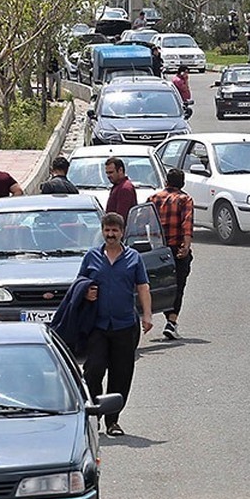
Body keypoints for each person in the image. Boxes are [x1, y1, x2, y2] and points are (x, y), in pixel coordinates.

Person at [77, 212, 153, 437]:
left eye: (115, 231)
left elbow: (143, 287)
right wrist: (86, 293)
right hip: (98, 326)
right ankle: (94, 417)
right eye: (107, 230)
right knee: (94, 370)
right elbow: (80, 284)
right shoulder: (91, 257)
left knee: (121, 374)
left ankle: (113, 421)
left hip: (124, 326)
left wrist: (147, 315)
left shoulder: (133, 258)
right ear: (102, 231)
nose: (111, 235)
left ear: (123, 233)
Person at [148, 169, 194, 341]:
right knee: (178, 285)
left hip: (157, 250)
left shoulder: (153, 199)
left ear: (167, 181)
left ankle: (150, 314)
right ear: (182, 183)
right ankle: (171, 322)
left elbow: (142, 221)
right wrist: (186, 247)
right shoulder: (184, 199)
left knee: (156, 284)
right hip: (176, 250)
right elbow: (187, 224)